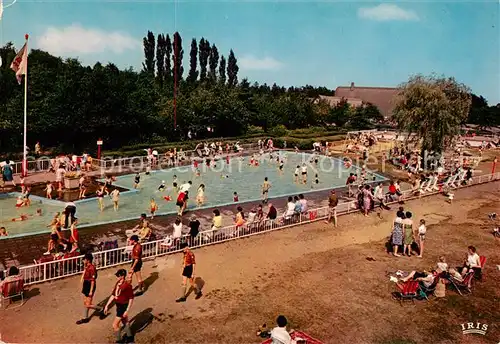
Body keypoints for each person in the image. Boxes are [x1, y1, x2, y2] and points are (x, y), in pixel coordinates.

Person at [103, 269, 134, 343]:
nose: (117, 277)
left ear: (122, 276)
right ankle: (130, 337)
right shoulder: (118, 283)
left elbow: (131, 298)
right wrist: (107, 305)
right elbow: (113, 295)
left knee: (115, 325)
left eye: (118, 275)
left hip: (123, 306)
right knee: (124, 321)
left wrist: (127, 310)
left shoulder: (127, 285)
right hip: (119, 305)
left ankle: (119, 340)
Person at [76, 253, 102, 324]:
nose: (83, 260)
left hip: (90, 285)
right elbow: (85, 270)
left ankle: (100, 309)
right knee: (85, 302)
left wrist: (91, 291)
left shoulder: (92, 268)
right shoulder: (87, 266)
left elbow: (93, 281)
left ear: (88, 260)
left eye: (85, 259)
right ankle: (85, 317)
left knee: (88, 304)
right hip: (86, 284)